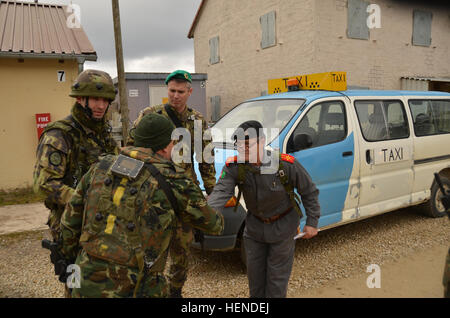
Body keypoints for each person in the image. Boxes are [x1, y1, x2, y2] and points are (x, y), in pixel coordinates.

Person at [59, 113, 224, 298]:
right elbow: (214, 224)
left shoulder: (100, 166)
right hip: (138, 287)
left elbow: (69, 223)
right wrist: (221, 190)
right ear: (165, 146)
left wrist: (71, 263)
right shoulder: (175, 180)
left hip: (86, 281)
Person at [126, 70, 216, 297]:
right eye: (172, 91)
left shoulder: (197, 121)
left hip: (182, 196)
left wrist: (212, 194)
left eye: (180, 92)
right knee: (149, 249)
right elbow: (130, 150)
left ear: (189, 92)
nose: (175, 96)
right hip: (153, 193)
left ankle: (176, 291)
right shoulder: (150, 115)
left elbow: (206, 159)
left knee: (182, 250)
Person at [207, 120, 321, 298]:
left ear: (262, 141)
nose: (242, 149)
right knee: (256, 282)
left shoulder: (285, 165)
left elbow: (309, 192)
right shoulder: (235, 167)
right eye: (239, 145)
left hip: (283, 228)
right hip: (254, 230)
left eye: (247, 144)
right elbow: (221, 191)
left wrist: (312, 222)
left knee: (276, 283)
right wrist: (206, 215)